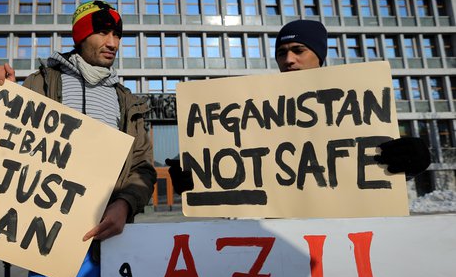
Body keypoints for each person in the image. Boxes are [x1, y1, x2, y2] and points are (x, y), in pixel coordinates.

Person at [0, 0, 156, 277]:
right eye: (103, 31)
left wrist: (125, 205)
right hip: (54, 244)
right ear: (80, 35)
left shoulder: (127, 100)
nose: (113, 42)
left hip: (113, 247)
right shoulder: (42, 84)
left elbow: (143, 167)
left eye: (118, 34)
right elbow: (1, 142)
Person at [167, 19, 431, 194]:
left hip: (342, 237)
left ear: (319, 55)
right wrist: (199, 179)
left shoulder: (354, 104)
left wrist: (412, 159)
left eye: (298, 50)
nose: (289, 59)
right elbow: (242, 167)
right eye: (281, 53)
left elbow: (372, 168)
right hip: (278, 239)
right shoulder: (255, 112)